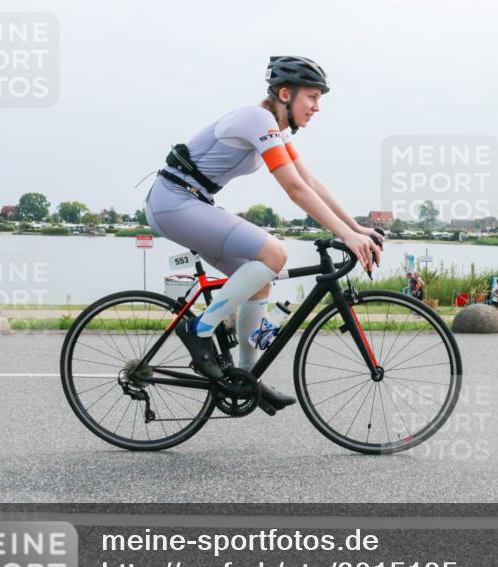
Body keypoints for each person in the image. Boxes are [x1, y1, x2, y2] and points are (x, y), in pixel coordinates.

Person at [144, 56, 383, 413]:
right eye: (312, 97)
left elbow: (310, 182)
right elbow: (293, 189)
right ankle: (199, 330)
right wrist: (347, 237)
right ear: (285, 93)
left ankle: (246, 376)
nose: (317, 107)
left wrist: (356, 228)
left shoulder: (275, 129)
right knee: (274, 253)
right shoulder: (258, 120)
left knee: (260, 282)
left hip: (192, 202)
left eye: (320, 99)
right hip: (173, 202)